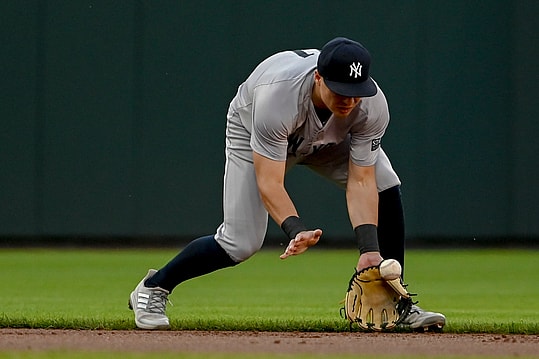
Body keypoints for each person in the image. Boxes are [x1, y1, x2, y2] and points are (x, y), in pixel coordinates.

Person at [128, 37, 446, 331]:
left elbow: (362, 181)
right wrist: (294, 228)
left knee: (384, 183)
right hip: (252, 128)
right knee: (240, 242)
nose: (349, 99)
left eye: (356, 91)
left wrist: (369, 251)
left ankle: (396, 303)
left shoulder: (371, 105)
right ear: (319, 77)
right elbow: (269, 180)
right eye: (339, 90)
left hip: (329, 142)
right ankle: (155, 286)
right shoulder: (277, 98)